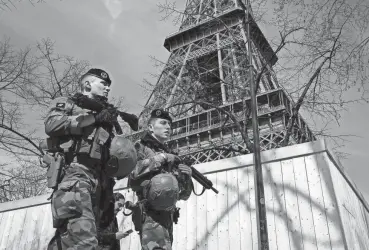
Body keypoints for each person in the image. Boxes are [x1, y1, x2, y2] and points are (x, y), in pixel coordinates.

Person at [45, 68, 120, 250]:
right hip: (76, 176)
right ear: (87, 84)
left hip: (103, 186)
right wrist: (93, 118)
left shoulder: (107, 119)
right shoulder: (68, 103)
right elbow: (52, 125)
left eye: (109, 85)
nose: (108, 88)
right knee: (83, 242)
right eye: (103, 83)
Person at [128, 109, 193, 250]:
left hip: (168, 217)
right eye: (163, 123)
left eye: (169, 124)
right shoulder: (141, 147)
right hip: (150, 215)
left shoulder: (172, 155)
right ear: (151, 127)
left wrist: (187, 177)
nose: (168, 127)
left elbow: (183, 195)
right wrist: (161, 158)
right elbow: (132, 173)